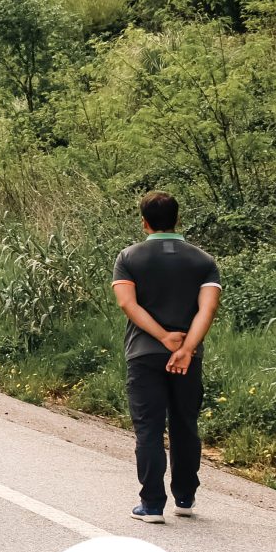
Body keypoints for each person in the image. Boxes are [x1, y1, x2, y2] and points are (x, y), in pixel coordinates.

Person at [110, 190, 221, 524]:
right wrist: (186, 349)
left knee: (149, 428)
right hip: (189, 358)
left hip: (144, 354)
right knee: (185, 425)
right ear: (178, 219)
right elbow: (208, 308)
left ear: (144, 222)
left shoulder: (129, 257)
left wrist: (161, 336)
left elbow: (128, 304)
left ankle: (152, 504)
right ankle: (185, 498)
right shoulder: (203, 261)